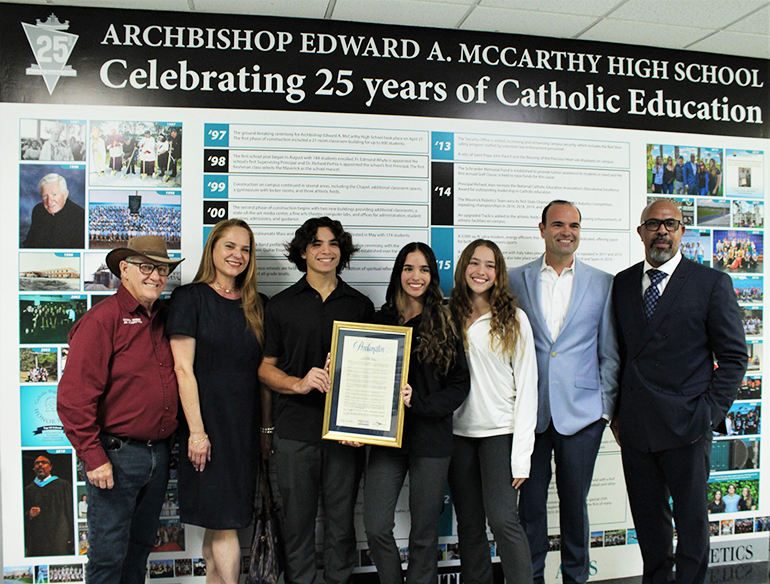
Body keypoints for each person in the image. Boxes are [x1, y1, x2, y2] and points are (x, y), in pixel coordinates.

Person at [612, 200, 747, 584]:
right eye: (653, 224)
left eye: (671, 224)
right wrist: (617, 414)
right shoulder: (621, 283)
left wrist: (708, 413)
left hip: (688, 426)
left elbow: (735, 358)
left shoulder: (710, 283)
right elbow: (618, 353)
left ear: (682, 231)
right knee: (650, 529)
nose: (662, 231)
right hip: (636, 429)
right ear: (640, 232)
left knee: (691, 528)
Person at [57, 235, 183, 584]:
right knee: (108, 558)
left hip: (158, 455)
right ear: (123, 270)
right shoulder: (102, 321)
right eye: (147, 267)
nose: (156, 276)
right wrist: (93, 456)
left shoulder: (165, 318)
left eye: (161, 270)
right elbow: (74, 397)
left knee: (139, 552)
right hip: (116, 457)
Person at [508, 200, 619, 584]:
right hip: (530, 416)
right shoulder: (513, 279)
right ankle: (531, 577)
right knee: (530, 510)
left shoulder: (603, 282)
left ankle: (576, 577)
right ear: (542, 229)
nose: (566, 232)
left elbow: (610, 351)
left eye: (573, 225)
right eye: (557, 224)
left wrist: (604, 409)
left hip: (583, 415)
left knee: (575, 506)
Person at [258, 217, 374, 584]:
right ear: (303, 252)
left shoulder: (360, 306)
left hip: (345, 433)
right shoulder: (280, 306)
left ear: (343, 251)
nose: (326, 251)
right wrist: (298, 383)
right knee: (297, 526)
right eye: (317, 244)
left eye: (334, 244)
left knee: (341, 526)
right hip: (295, 432)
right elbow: (264, 369)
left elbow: (373, 374)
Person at [167, 219, 271, 584]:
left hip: (243, 427)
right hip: (206, 424)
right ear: (213, 249)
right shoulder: (190, 298)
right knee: (224, 523)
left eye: (245, 249)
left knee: (220, 523)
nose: (237, 255)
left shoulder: (259, 305)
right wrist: (197, 432)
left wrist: (265, 430)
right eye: (229, 246)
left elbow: (266, 371)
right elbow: (182, 369)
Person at [364, 242, 469, 584]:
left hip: (431, 440)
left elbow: (459, 385)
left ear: (432, 277)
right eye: (409, 268)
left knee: (424, 531)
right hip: (385, 438)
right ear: (399, 274)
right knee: (376, 525)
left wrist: (420, 402)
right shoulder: (379, 321)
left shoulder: (447, 320)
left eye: (424, 269)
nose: (416, 276)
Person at [447, 239, 537, 584]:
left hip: (500, 433)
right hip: (458, 435)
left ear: (498, 273)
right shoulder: (447, 313)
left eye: (489, 265)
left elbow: (528, 388)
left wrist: (522, 456)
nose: (480, 271)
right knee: (469, 525)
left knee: (502, 521)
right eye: (474, 263)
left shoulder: (514, 319)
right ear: (463, 268)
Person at [24, 455, 74, 556]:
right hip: (36, 538)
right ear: (34, 468)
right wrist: (28, 514)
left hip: (59, 536)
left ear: (50, 467)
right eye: (37, 463)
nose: (40, 465)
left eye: (44, 462)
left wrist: (72, 535)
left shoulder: (63, 486)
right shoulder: (28, 490)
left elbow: (70, 510)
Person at [23, 173, 85, 249]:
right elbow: (29, 243)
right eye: (45, 196)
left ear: (65, 194)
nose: (49, 201)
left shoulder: (80, 216)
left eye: (54, 194)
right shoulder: (38, 210)